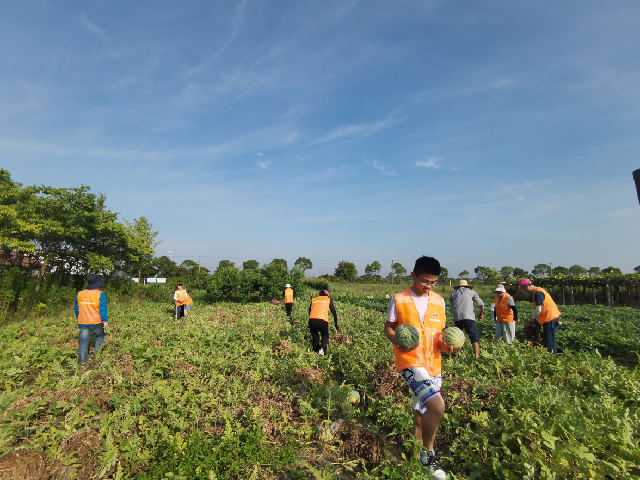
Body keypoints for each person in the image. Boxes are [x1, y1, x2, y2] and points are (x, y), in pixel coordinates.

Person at [384, 256, 458, 479]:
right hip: (410, 363)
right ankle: (429, 454)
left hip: (433, 364)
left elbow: (441, 335)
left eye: (433, 282)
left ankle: (416, 461)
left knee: (421, 412)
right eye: (424, 281)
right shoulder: (399, 299)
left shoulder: (439, 301)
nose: (428, 286)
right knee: (437, 406)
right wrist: (397, 340)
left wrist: (448, 345)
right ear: (413, 275)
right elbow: (388, 328)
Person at [519, 279, 561, 354]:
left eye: (523, 288)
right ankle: (550, 355)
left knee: (549, 340)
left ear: (527, 286)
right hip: (550, 318)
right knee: (547, 339)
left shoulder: (538, 293)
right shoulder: (538, 291)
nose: (524, 290)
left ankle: (552, 357)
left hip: (550, 318)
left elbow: (539, 309)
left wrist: (532, 319)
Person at [74, 274, 108, 364]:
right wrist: (105, 321)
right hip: (96, 322)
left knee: (84, 343)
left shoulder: (80, 294)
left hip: (83, 321)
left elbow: (76, 308)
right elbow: (102, 308)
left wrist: (79, 316)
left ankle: (82, 362)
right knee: (100, 336)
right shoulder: (100, 294)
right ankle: (95, 356)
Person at [449, 279, 485, 359]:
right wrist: (481, 314)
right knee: (473, 336)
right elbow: (481, 304)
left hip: (457, 317)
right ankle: (476, 356)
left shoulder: (453, 294)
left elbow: (451, 302)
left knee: (457, 336)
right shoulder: (471, 292)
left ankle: (457, 355)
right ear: (467, 286)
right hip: (469, 317)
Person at [308, 289, 339, 356]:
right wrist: (336, 326)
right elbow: (334, 313)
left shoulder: (314, 299)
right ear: (327, 295)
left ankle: (315, 353)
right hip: (322, 320)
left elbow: (309, 311)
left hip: (311, 320)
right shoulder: (328, 300)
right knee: (325, 335)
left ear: (320, 295)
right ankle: (321, 350)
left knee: (315, 338)